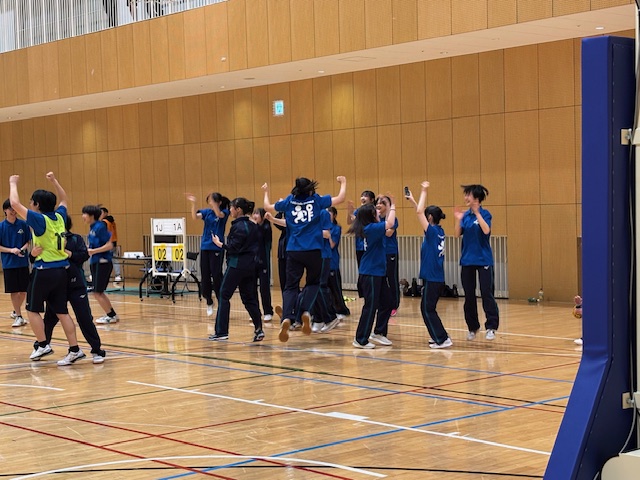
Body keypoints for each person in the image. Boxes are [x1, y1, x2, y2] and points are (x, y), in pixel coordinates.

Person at [9, 172, 85, 365]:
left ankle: (43, 344)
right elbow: (64, 199)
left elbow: (15, 204)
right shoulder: (59, 216)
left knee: (32, 310)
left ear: (36, 205)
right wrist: (54, 181)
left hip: (44, 271)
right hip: (62, 271)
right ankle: (75, 349)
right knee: (62, 312)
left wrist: (12, 183)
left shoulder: (39, 219)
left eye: (31, 202)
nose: (29, 204)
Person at [263, 176, 347, 343]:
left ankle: (287, 317)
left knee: (290, 286)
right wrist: (343, 183)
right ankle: (304, 312)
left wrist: (265, 192)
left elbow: (267, 206)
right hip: (313, 250)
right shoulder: (316, 201)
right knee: (313, 283)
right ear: (310, 190)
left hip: (294, 250)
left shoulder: (289, 201)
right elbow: (340, 198)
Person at [40, 216, 107, 363]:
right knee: (50, 318)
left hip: (76, 285)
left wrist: (68, 253)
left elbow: (83, 255)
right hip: (57, 286)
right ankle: (42, 346)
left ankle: (97, 350)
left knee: (84, 318)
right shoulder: (48, 240)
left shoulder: (76, 239)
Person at [209, 198, 264, 342]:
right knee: (249, 298)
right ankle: (259, 329)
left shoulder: (238, 227)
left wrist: (220, 244)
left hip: (236, 265)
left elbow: (234, 247)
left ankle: (221, 332)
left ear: (238, 209)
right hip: (250, 266)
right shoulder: (253, 225)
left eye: (232, 207)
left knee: (224, 295)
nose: (230, 210)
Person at [407, 182, 452, 348]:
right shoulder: (439, 231)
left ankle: (442, 338)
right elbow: (419, 211)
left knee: (427, 309)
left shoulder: (432, 232)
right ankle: (437, 335)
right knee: (427, 308)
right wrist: (413, 201)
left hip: (433, 277)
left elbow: (420, 212)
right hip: (434, 277)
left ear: (430, 218)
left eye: (426, 216)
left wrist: (423, 191)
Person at [453, 184, 499, 341]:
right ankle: (473, 327)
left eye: (468, 195)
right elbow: (457, 234)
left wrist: (477, 213)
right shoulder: (466, 215)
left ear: (477, 198)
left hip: (483, 259)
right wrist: (459, 219)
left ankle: (491, 327)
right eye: (465, 195)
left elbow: (486, 230)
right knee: (469, 295)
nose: (465, 198)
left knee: (486, 293)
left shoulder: (486, 214)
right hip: (467, 260)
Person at [350, 200, 396, 348]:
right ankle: (360, 339)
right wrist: (392, 206)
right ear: (371, 215)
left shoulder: (372, 227)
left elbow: (387, 224)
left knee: (387, 302)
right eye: (375, 210)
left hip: (378, 272)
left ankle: (379, 332)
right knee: (370, 306)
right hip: (370, 272)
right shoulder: (371, 228)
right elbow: (390, 223)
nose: (378, 211)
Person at [186, 192, 230, 317]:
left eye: (212, 201)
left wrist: (215, 203)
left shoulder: (224, 212)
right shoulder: (207, 212)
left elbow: (219, 214)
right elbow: (195, 217)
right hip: (205, 247)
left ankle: (221, 301)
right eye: (209, 201)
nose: (210, 203)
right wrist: (194, 203)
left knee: (216, 275)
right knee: (205, 275)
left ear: (219, 202)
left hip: (217, 248)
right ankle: (209, 300)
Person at [82, 205, 119, 324]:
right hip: (95, 261)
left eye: (85, 214)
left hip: (103, 262)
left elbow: (110, 245)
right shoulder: (92, 227)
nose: (83, 216)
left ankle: (111, 315)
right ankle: (112, 314)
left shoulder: (100, 227)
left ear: (92, 216)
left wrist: (93, 251)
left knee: (97, 292)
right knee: (99, 292)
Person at [0, 198, 31, 327]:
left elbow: (28, 241)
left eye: (14, 209)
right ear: (5, 210)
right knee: (14, 291)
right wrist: (11, 250)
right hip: (9, 263)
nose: (13, 211)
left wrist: (22, 249)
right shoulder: (1, 227)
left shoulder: (23, 224)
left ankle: (15, 310)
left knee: (24, 290)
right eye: (10, 209)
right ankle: (19, 316)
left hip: (22, 262)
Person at [376, 195, 400, 317]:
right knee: (381, 279)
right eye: (377, 203)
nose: (378, 205)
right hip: (379, 252)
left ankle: (394, 305)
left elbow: (389, 233)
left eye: (382, 203)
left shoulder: (393, 219)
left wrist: (377, 229)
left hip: (390, 252)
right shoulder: (375, 219)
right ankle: (383, 304)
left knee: (392, 279)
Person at [326, 206, 350, 319]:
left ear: (334, 215)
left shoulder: (336, 228)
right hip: (322, 261)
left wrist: (327, 235)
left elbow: (332, 244)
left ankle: (341, 309)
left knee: (335, 287)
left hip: (332, 261)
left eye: (329, 214)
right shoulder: (320, 227)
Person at [252, 208, 274, 322]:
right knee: (252, 288)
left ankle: (268, 311)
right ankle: (255, 312)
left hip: (263, 262)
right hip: (252, 262)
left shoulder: (266, 228)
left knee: (264, 288)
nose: (255, 216)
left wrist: (256, 226)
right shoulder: (252, 228)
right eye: (254, 213)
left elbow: (262, 238)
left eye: (257, 213)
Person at [347, 190, 376, 268]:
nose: (363, 198)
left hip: (369, 244)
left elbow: (361, 223)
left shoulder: (374, 210)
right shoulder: (359, 210)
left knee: (370, 267)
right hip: (359, 244)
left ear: (372, 200)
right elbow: (349, 222)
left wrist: (352, 215)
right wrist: (349, 213)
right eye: (362, 196)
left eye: (366, 196)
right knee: (361, 267)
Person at [100, 207, 121, 282]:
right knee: (114, 259)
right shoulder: (111, 221)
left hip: (107, 243)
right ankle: (118, 275)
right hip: (113, 242)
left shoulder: (104, 222)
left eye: (101, 212)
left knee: (104, 259)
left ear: (106, 213)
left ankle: (102, 275)